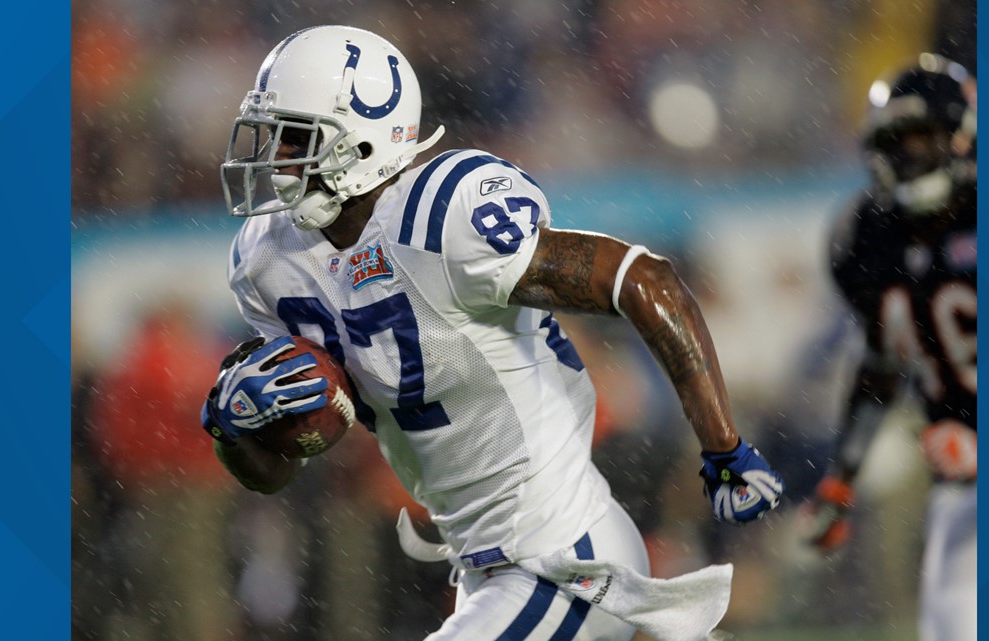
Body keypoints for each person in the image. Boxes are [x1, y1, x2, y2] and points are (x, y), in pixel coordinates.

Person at [200, 25, 783, 641]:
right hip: (480, 570)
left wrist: (724, 448)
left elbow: (645, 280)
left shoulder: (441, 216)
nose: (276, 159)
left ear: (362, 140)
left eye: (295, 138)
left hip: (565, 557)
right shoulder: (270, 261)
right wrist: (231, 427)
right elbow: (278, 466)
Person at [800, 53, 977, 641]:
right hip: (963, 487)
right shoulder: (868, 239)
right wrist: (842, 478)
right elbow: (882, 361)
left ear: (961, 135)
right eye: (895, 142)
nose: (907, 156)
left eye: (921, 138)